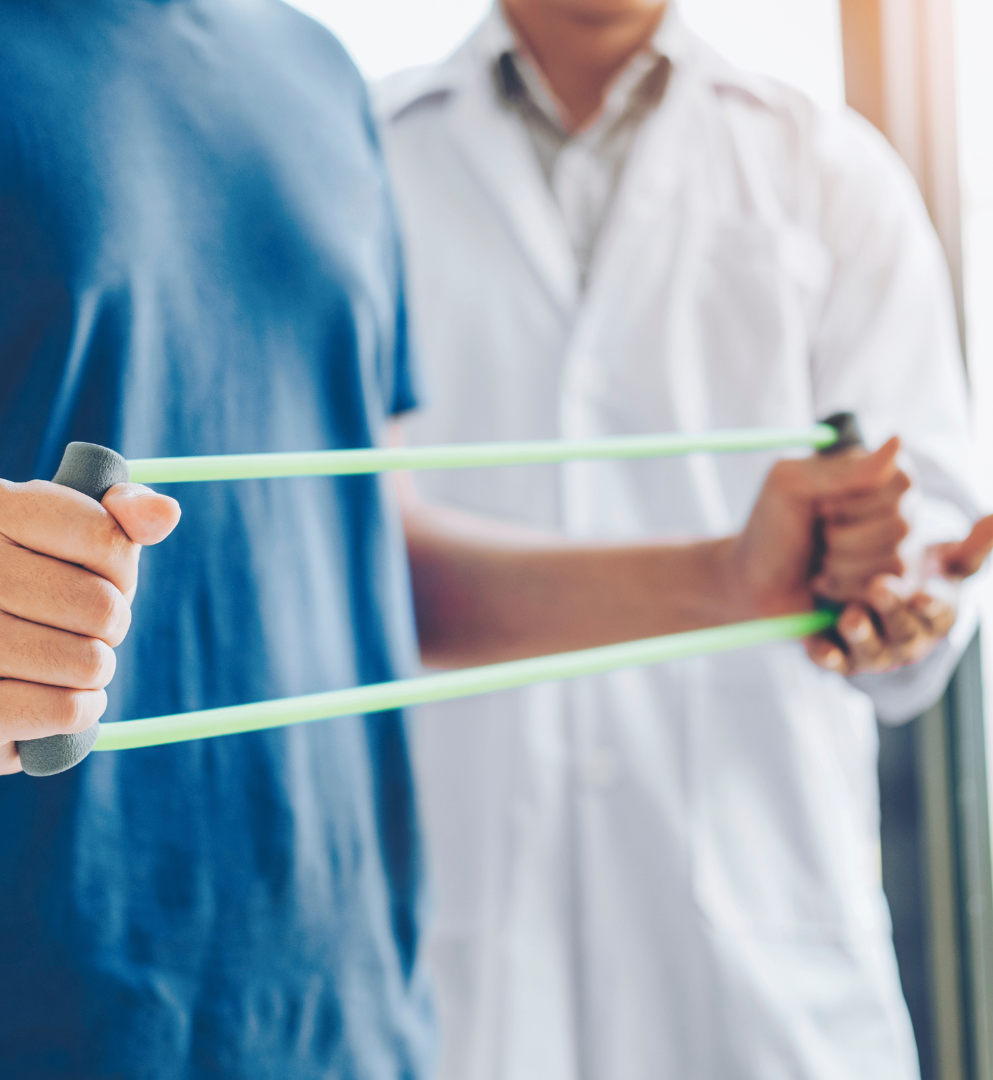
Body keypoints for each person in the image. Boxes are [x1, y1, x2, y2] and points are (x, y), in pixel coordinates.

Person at [0, 2, 986, 1078]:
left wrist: (734, 578)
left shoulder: (314, 79)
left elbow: (373, 560)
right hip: (15, 1019)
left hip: (350, 1022)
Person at [375, 1, 988, 1078]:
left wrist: (898, 594)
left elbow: (924, 533)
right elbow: (345, 564)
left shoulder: (830, 172)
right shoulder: (364, 159)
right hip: (461, 958)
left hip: (763, 959)